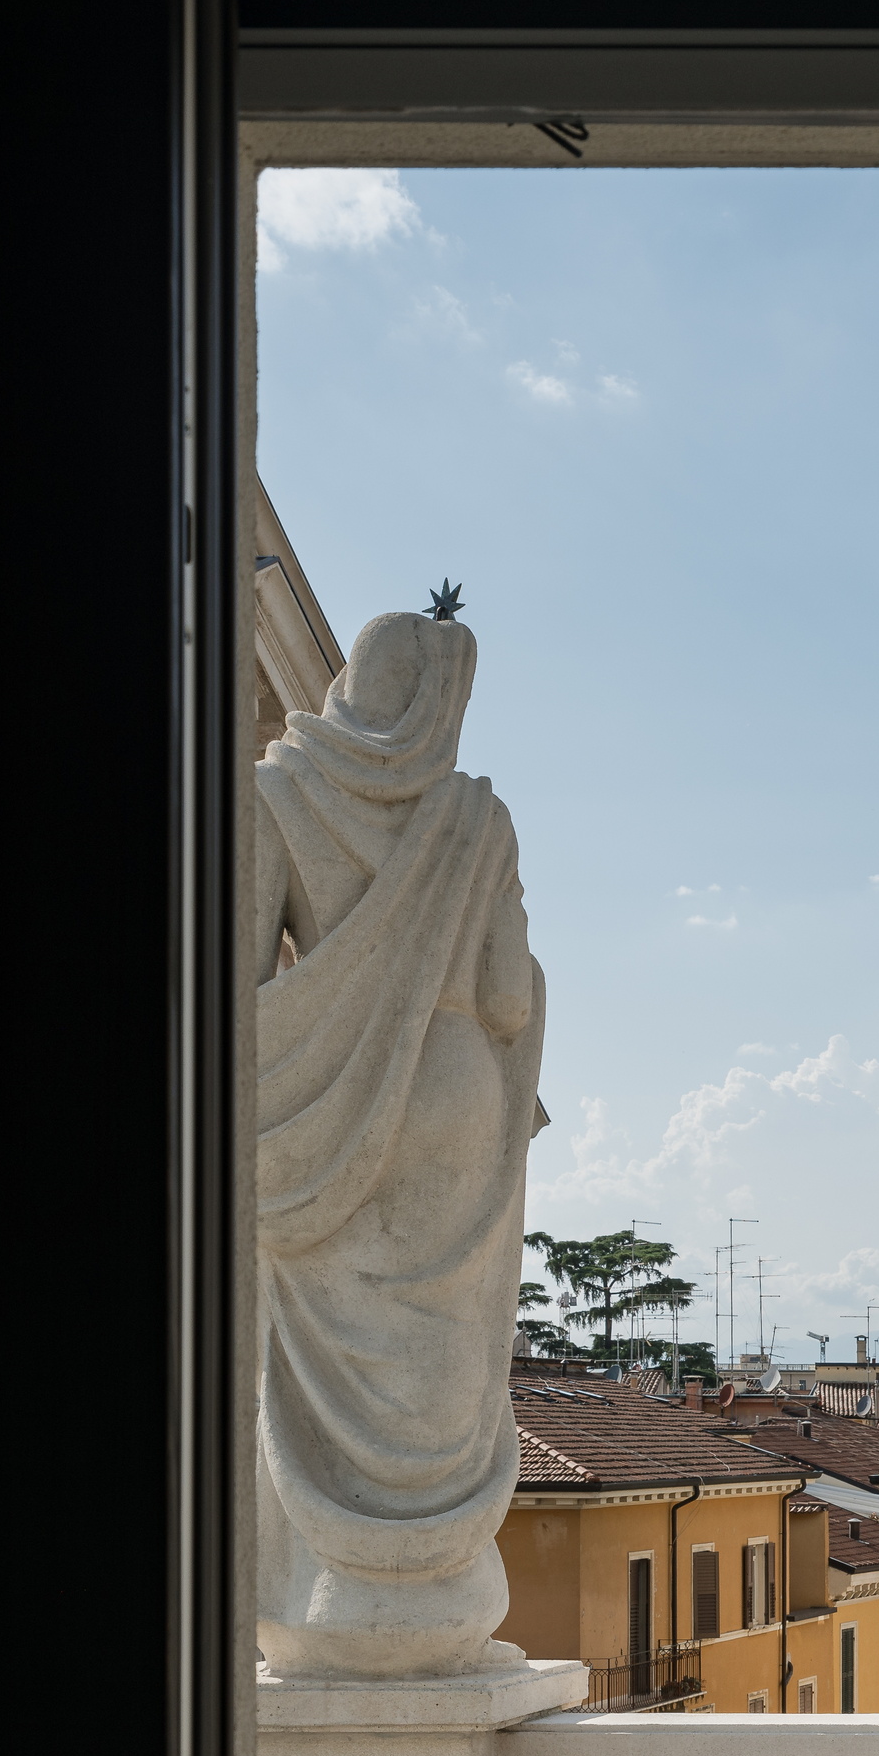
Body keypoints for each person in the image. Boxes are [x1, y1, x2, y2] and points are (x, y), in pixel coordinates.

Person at [248, 603, 548, 1676]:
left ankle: (329, 1595)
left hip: (321, 1111)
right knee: (442, 1350)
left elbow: (237, 992)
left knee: (314, 1339)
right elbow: (506, 996)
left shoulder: (275, 794)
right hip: (455, 1096)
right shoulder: (477, 818)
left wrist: (332, 1029)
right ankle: (439, 1587)